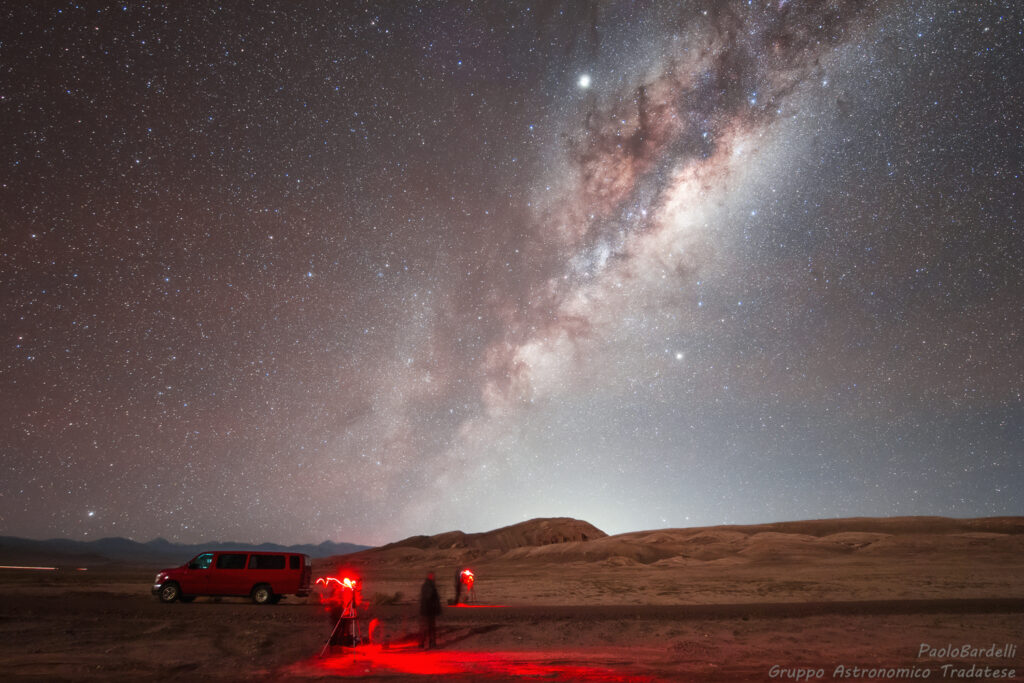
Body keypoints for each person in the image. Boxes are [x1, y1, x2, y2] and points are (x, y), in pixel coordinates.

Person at [419, 571, 442, 649]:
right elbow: (429, 597)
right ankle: (431, 643)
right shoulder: (430, 586)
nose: (434, 577)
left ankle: (423, 643)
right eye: (433, 576)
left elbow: (426, 597)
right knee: (430, 627)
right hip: (429, 610)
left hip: (426, 610)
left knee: (426, 627)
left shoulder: (426, 585)